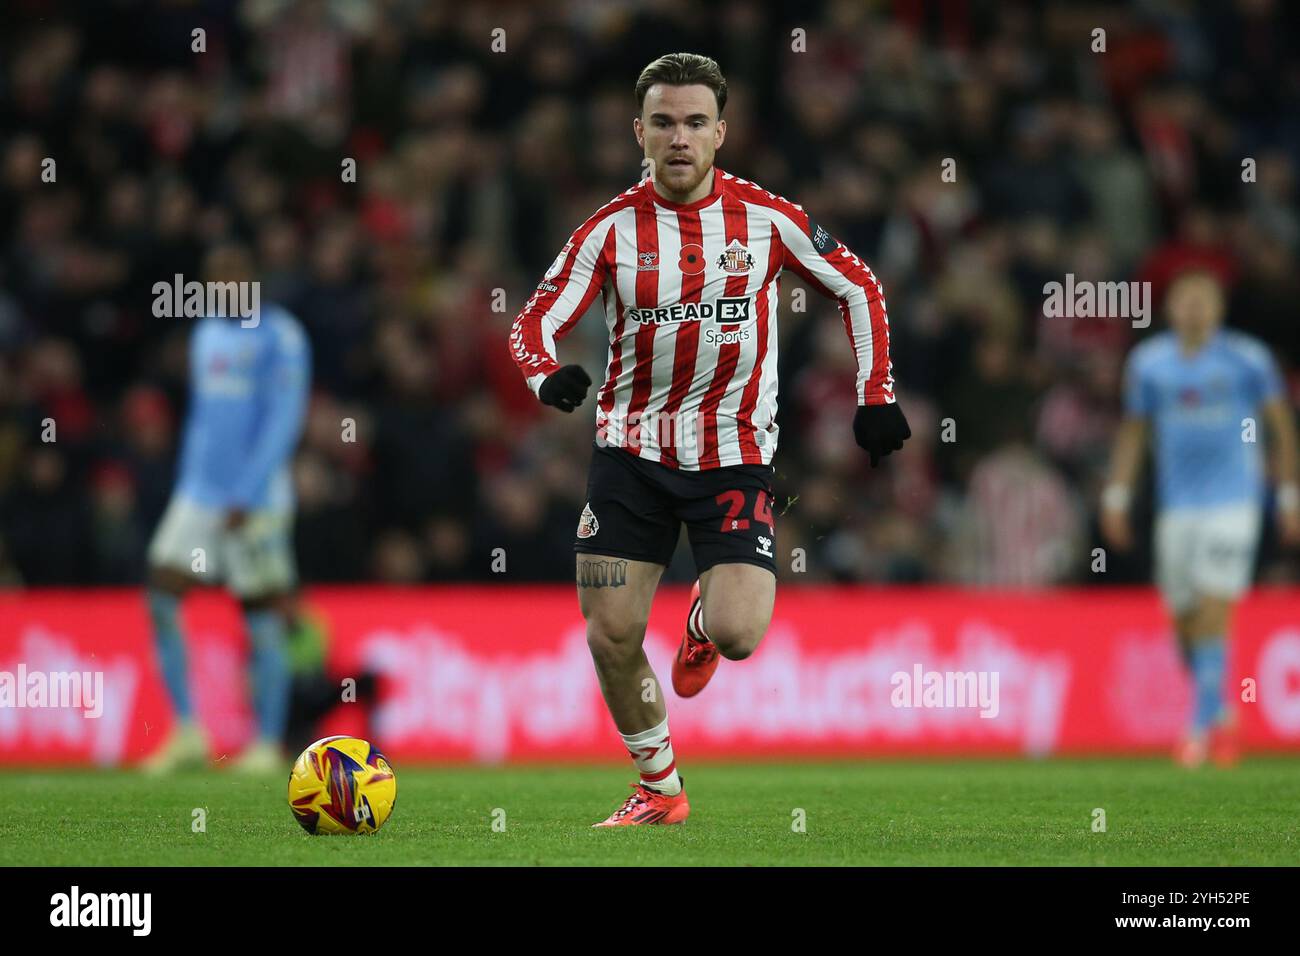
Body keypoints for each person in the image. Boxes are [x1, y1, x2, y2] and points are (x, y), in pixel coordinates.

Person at [510, 53, 910, 825]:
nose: (680, 137)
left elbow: (859, 283)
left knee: (737, 635)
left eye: (696, 122)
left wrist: (877, 394)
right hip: (629, 453)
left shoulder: (767, 220)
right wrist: (545, 375)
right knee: (611, 633)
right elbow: (533, 321)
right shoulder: (609, 230)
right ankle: (659, 788)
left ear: (721, 132)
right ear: (639, 132)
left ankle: (699, 618)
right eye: (663, 122)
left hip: (732, 453)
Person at [1102, 269, 1300, 767]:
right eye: (1184, 299)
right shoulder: (1149, 364)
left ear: (1218, 308)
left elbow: (1281, 428)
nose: (1193, 308)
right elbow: (1133, 432)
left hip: (1235, 503)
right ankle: (1224, 712)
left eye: (1203, 299)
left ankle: (1196, 731)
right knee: (1184, 621)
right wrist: (1117, 496)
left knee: (1215, 608)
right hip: (1177, 509)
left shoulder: (1247, 359)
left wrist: (1290, 496)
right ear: (1171, 309)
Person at [142, 243, 312, 773]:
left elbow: (283, 420)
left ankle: (265, 744)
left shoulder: (281, 335)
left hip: (256, 500)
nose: (222, 284)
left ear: (252, 277)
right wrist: (189, 485)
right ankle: (189, 731)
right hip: (198, 494)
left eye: (233, 273)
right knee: (161, 594)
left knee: (260, 614)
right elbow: (203, 420)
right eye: (213, 276)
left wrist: (248, 489)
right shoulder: (206, 333)